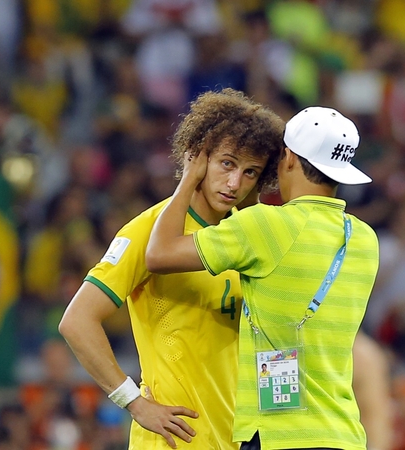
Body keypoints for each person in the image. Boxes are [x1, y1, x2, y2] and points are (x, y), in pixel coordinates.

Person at [59, 88, 285, 449]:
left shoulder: (248, 238)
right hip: (172, 441)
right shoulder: (148, 232)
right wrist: (132, 401)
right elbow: (76, 321)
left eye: (250, 172)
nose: (234, 184)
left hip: (236, 439)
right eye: (227, 163)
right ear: (197, 156)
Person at [146, 106, 380, 449]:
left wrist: (189, 179)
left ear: (287, 158)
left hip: (277, 437)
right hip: (343, 434)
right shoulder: (364, 239)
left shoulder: (265, 226)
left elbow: (159, 254)